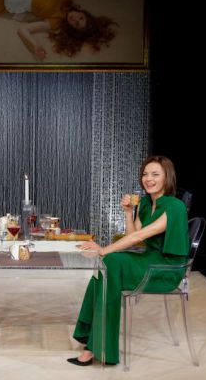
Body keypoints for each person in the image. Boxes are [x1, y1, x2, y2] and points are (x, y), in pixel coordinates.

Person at [68, 155, 190, 366]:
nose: (148, 179)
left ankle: (97, 345)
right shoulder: (145, 203)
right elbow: (134, 237)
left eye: (155, 174)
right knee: (107, 266)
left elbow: (138, 237)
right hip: (149, 259)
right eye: (145, 174)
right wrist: (128, 212)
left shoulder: (175, 206)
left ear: (167, 177)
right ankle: (94, 342)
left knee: (111, 262)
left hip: (166, 269)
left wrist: (103, 250)